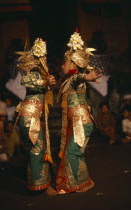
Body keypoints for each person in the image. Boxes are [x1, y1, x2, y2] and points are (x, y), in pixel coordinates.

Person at [55, 31, 102, 194]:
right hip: (76, 123)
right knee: (73, 153)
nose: (62, 65)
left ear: (74, 65)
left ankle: (83, 182)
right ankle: (80, 182)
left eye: (65, 62)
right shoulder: (67, 81)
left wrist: (86, 77)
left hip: (80, 123)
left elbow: (78, 78)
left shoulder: (75, 79)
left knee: (72, 153)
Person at [15, 38, 56, 194]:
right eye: (42, 57)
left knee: (38, 148)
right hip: (30, 116)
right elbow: (26, 81)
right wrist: (44, 83)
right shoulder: (32, 72)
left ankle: (39, 183)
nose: (44, 59)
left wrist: (47, 82)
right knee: (37, 149)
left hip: (33, 115)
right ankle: (41, 187)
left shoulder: (40, 72)